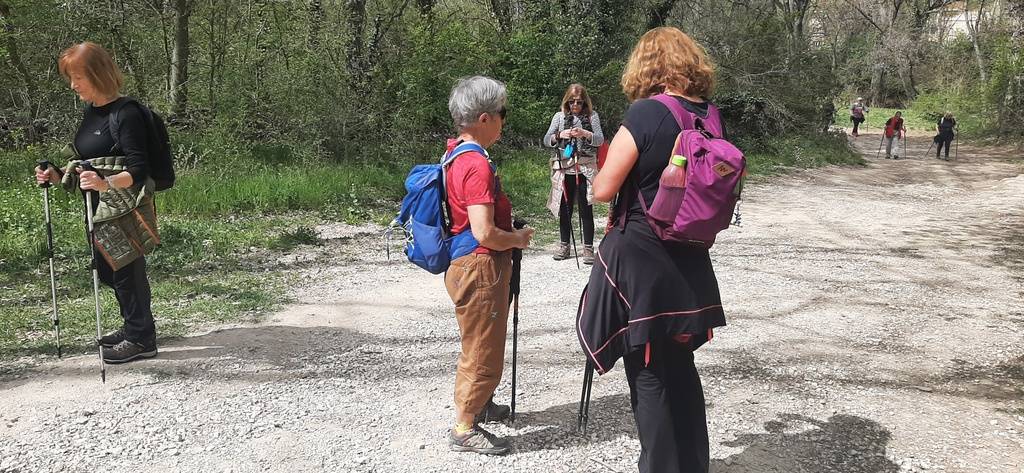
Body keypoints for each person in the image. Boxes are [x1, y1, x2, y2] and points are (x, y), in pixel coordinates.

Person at [575, 27, 727, 473]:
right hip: (691, 254)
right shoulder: (709, 116)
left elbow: (603, 189)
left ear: (646, 67)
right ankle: (693, 464)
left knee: (649, 371)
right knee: (679, 363)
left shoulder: (646, 112)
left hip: (643, 257)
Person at [35, 42, 159, 364]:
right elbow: (89, 163)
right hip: (97, 207)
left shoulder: (126, 113)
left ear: (98, 75)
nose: (73, 85)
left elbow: (138, 169)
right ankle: (135, 325)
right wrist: (57, 174)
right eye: (70, 79)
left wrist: (105, 184)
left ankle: (141, 337)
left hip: (124, 206)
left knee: (126, 270)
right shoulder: (92, 112)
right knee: (106, 268)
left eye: (77, 78)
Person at [442, 76, 534, 455]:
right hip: (480, 266)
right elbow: (483, 232)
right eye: (501, 114)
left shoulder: (454, 153)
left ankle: (479, 406)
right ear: (484, 118)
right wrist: (517, 238)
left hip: (465, 264)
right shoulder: (476, 164)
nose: (503, 121)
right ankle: (464, 427)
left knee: (481, 340)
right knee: (482, 348)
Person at [543, 84, 604, 264]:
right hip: (564, 167)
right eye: (571, 102)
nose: (575, 105)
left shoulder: (592, 117)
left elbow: (599, 140)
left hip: (585, 167)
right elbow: (547, 139)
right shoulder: (559, 117)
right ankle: (564, 245)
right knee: (565, 207)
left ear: (585, 102)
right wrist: (560, 134)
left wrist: (585, 133)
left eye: (579, 102)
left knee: (586, 207)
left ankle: (587, 248)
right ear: (566, 102)